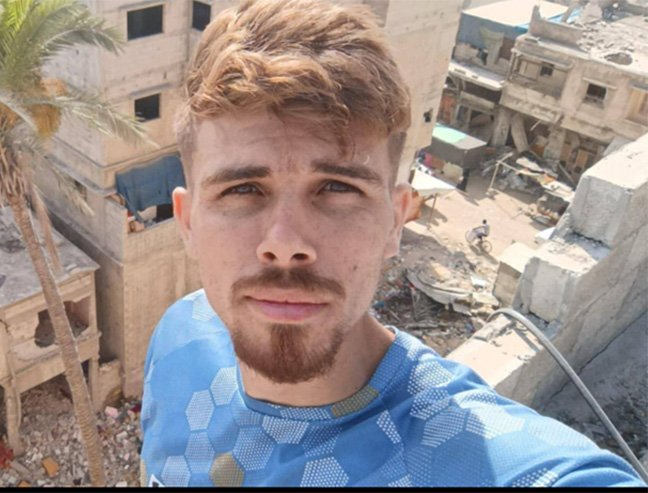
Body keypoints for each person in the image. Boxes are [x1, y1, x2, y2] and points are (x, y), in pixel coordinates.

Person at [138, 0, 645, 487]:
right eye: (242, 189)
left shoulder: (501, 466)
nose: (285, 244)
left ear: (395, 221)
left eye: (337, 188)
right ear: (188, 222)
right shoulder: (180, 338)